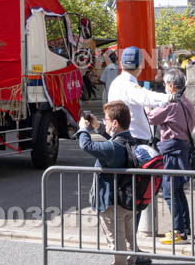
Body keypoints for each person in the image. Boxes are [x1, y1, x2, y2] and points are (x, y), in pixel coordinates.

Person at [78, 101, 138, 265]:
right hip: (127, 199)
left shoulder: (112, 147)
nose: (104, 121)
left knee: (116, 243)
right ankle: (130, 262)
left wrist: (83, 128)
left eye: (106, 119)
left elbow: (86, 145)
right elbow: (112, 143)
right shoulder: (129, 140)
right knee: (129, 239)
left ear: (115, 123)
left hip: (111, 202)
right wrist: (98, 126)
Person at [147, 68, 195, 245]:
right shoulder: (187, 102)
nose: (165, 87)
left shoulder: (171, 104)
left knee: (169, 192)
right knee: (178, 190)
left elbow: (151, 118)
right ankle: (185, 228)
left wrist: (148, 106)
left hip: (171, 149)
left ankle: (178, 231)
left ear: (172, 86)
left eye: (166, 84)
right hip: (183, 146)